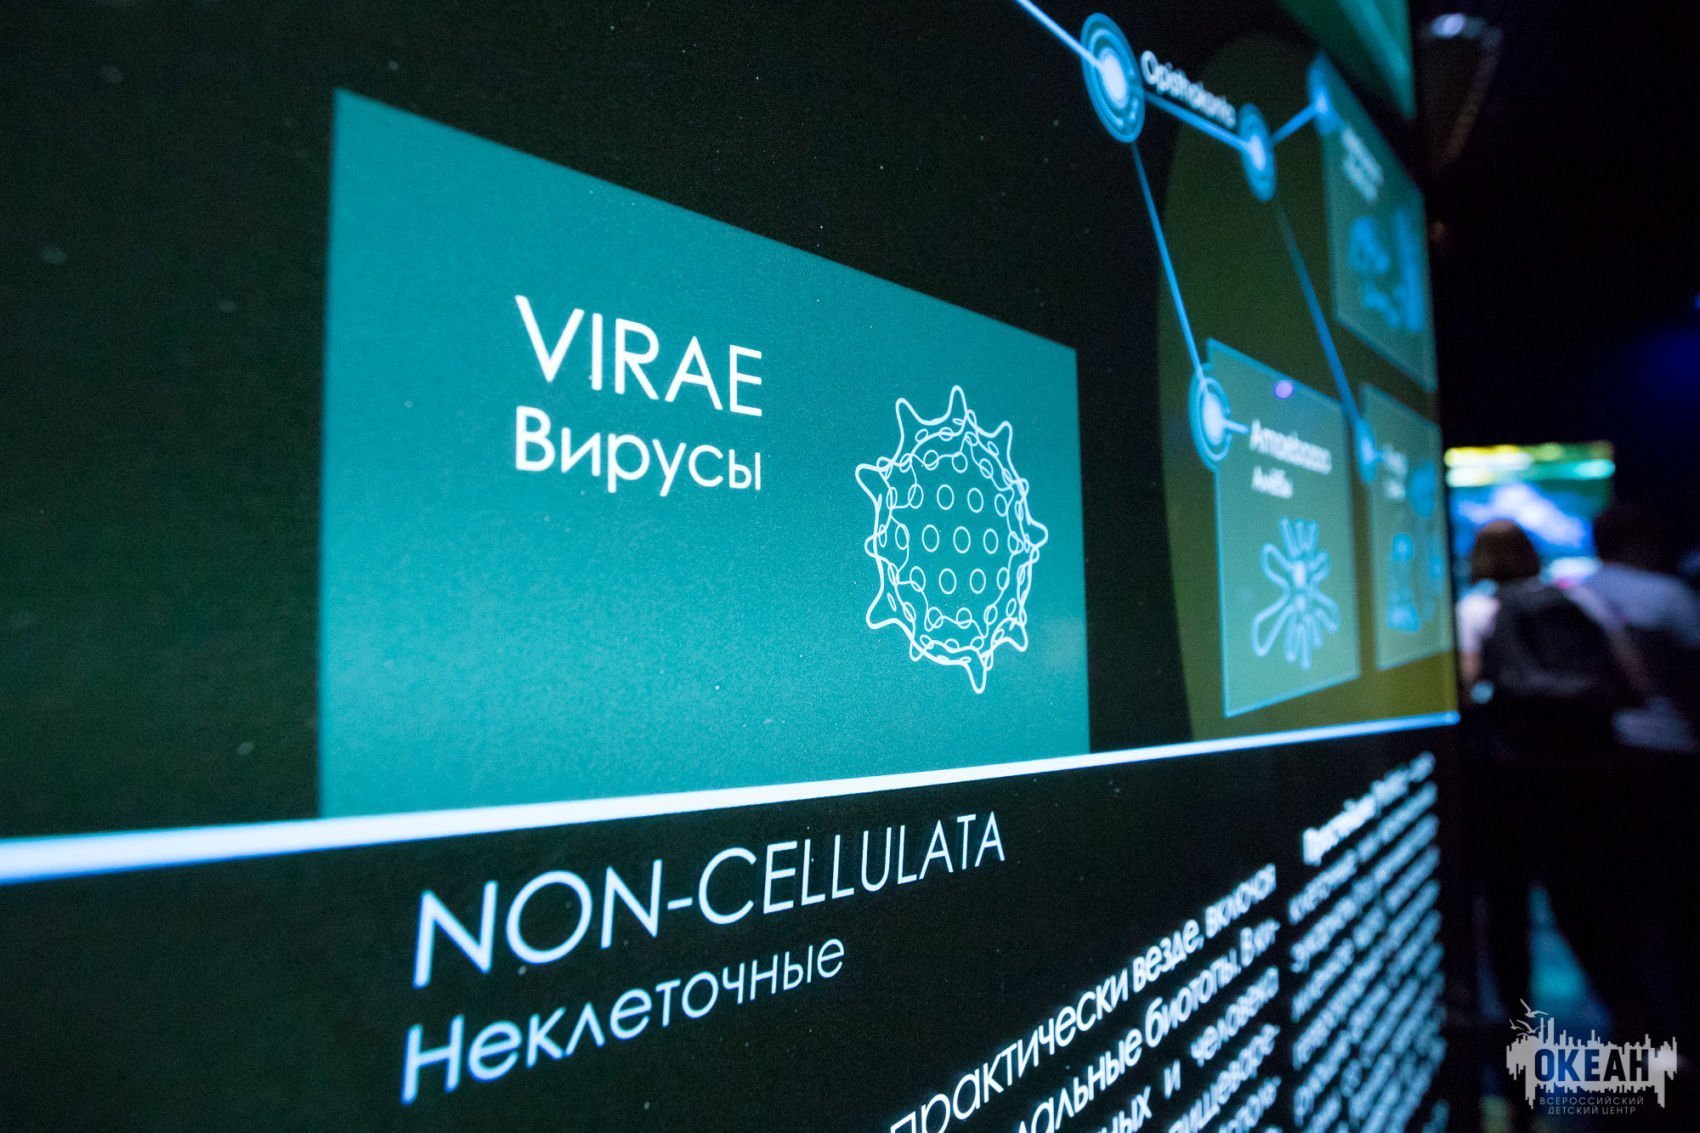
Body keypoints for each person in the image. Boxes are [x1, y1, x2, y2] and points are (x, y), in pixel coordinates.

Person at [1455, 519, 1542, 692]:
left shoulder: (1472, 608)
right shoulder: (1565, 595)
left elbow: (1469, 674)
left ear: (1479, 556)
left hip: (1512, 703)